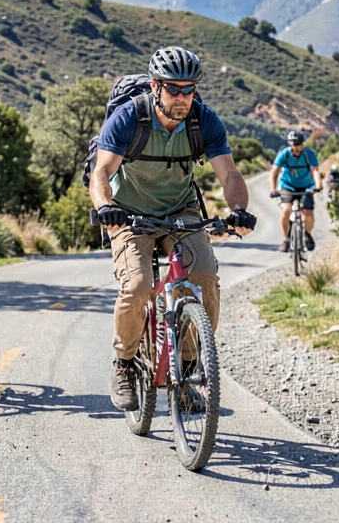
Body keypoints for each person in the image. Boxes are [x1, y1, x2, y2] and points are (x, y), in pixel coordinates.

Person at [88, 46, 257, 411]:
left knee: (204, 275)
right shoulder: (130, 117)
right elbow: (101, 172)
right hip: (129, 214)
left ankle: (187, 363)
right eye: (173, 89)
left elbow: (228, 173)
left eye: (189, 89)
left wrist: (239, 209)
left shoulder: (202, 120)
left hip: (181, 210)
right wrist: (106, 208)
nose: (182, 97)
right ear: (155, 86)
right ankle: (125, 364)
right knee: (137, 287)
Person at [271, 130, 321, 253]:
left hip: (306, 186)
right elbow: (274, 173)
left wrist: (318, 185)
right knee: (286, 211)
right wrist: (273, 189)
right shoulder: (285, 154)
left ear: (302, 143)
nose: (296, 148)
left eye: (298, 145)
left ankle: (307, 235)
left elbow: (315, 170)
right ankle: (286, 239)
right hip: (287, 186)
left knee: (308, 215)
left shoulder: (308, 154)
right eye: (293, 145)